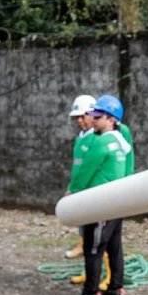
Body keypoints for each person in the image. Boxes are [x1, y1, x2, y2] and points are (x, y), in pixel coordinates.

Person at [64, 94, 132, 295]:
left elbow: (85, 173)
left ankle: (90, 294)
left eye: (97, 116)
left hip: (100, 204)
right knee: (114, 246)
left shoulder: (102, 143)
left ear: (110, 119)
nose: (92, 120)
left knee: (93, 248)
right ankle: (115, 288)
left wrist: (72, 193)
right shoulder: (121, 142)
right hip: (117, 202)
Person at [63, 94, 97, 260]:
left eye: (83, 116)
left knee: (92, 222)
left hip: (90, 186)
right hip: (79, 185)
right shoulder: (81, 138)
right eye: (77, 117)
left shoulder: (96, 138)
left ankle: (90, 248)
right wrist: (72, 185)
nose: (79, 121)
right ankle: (82, 244)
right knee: (83, 219)